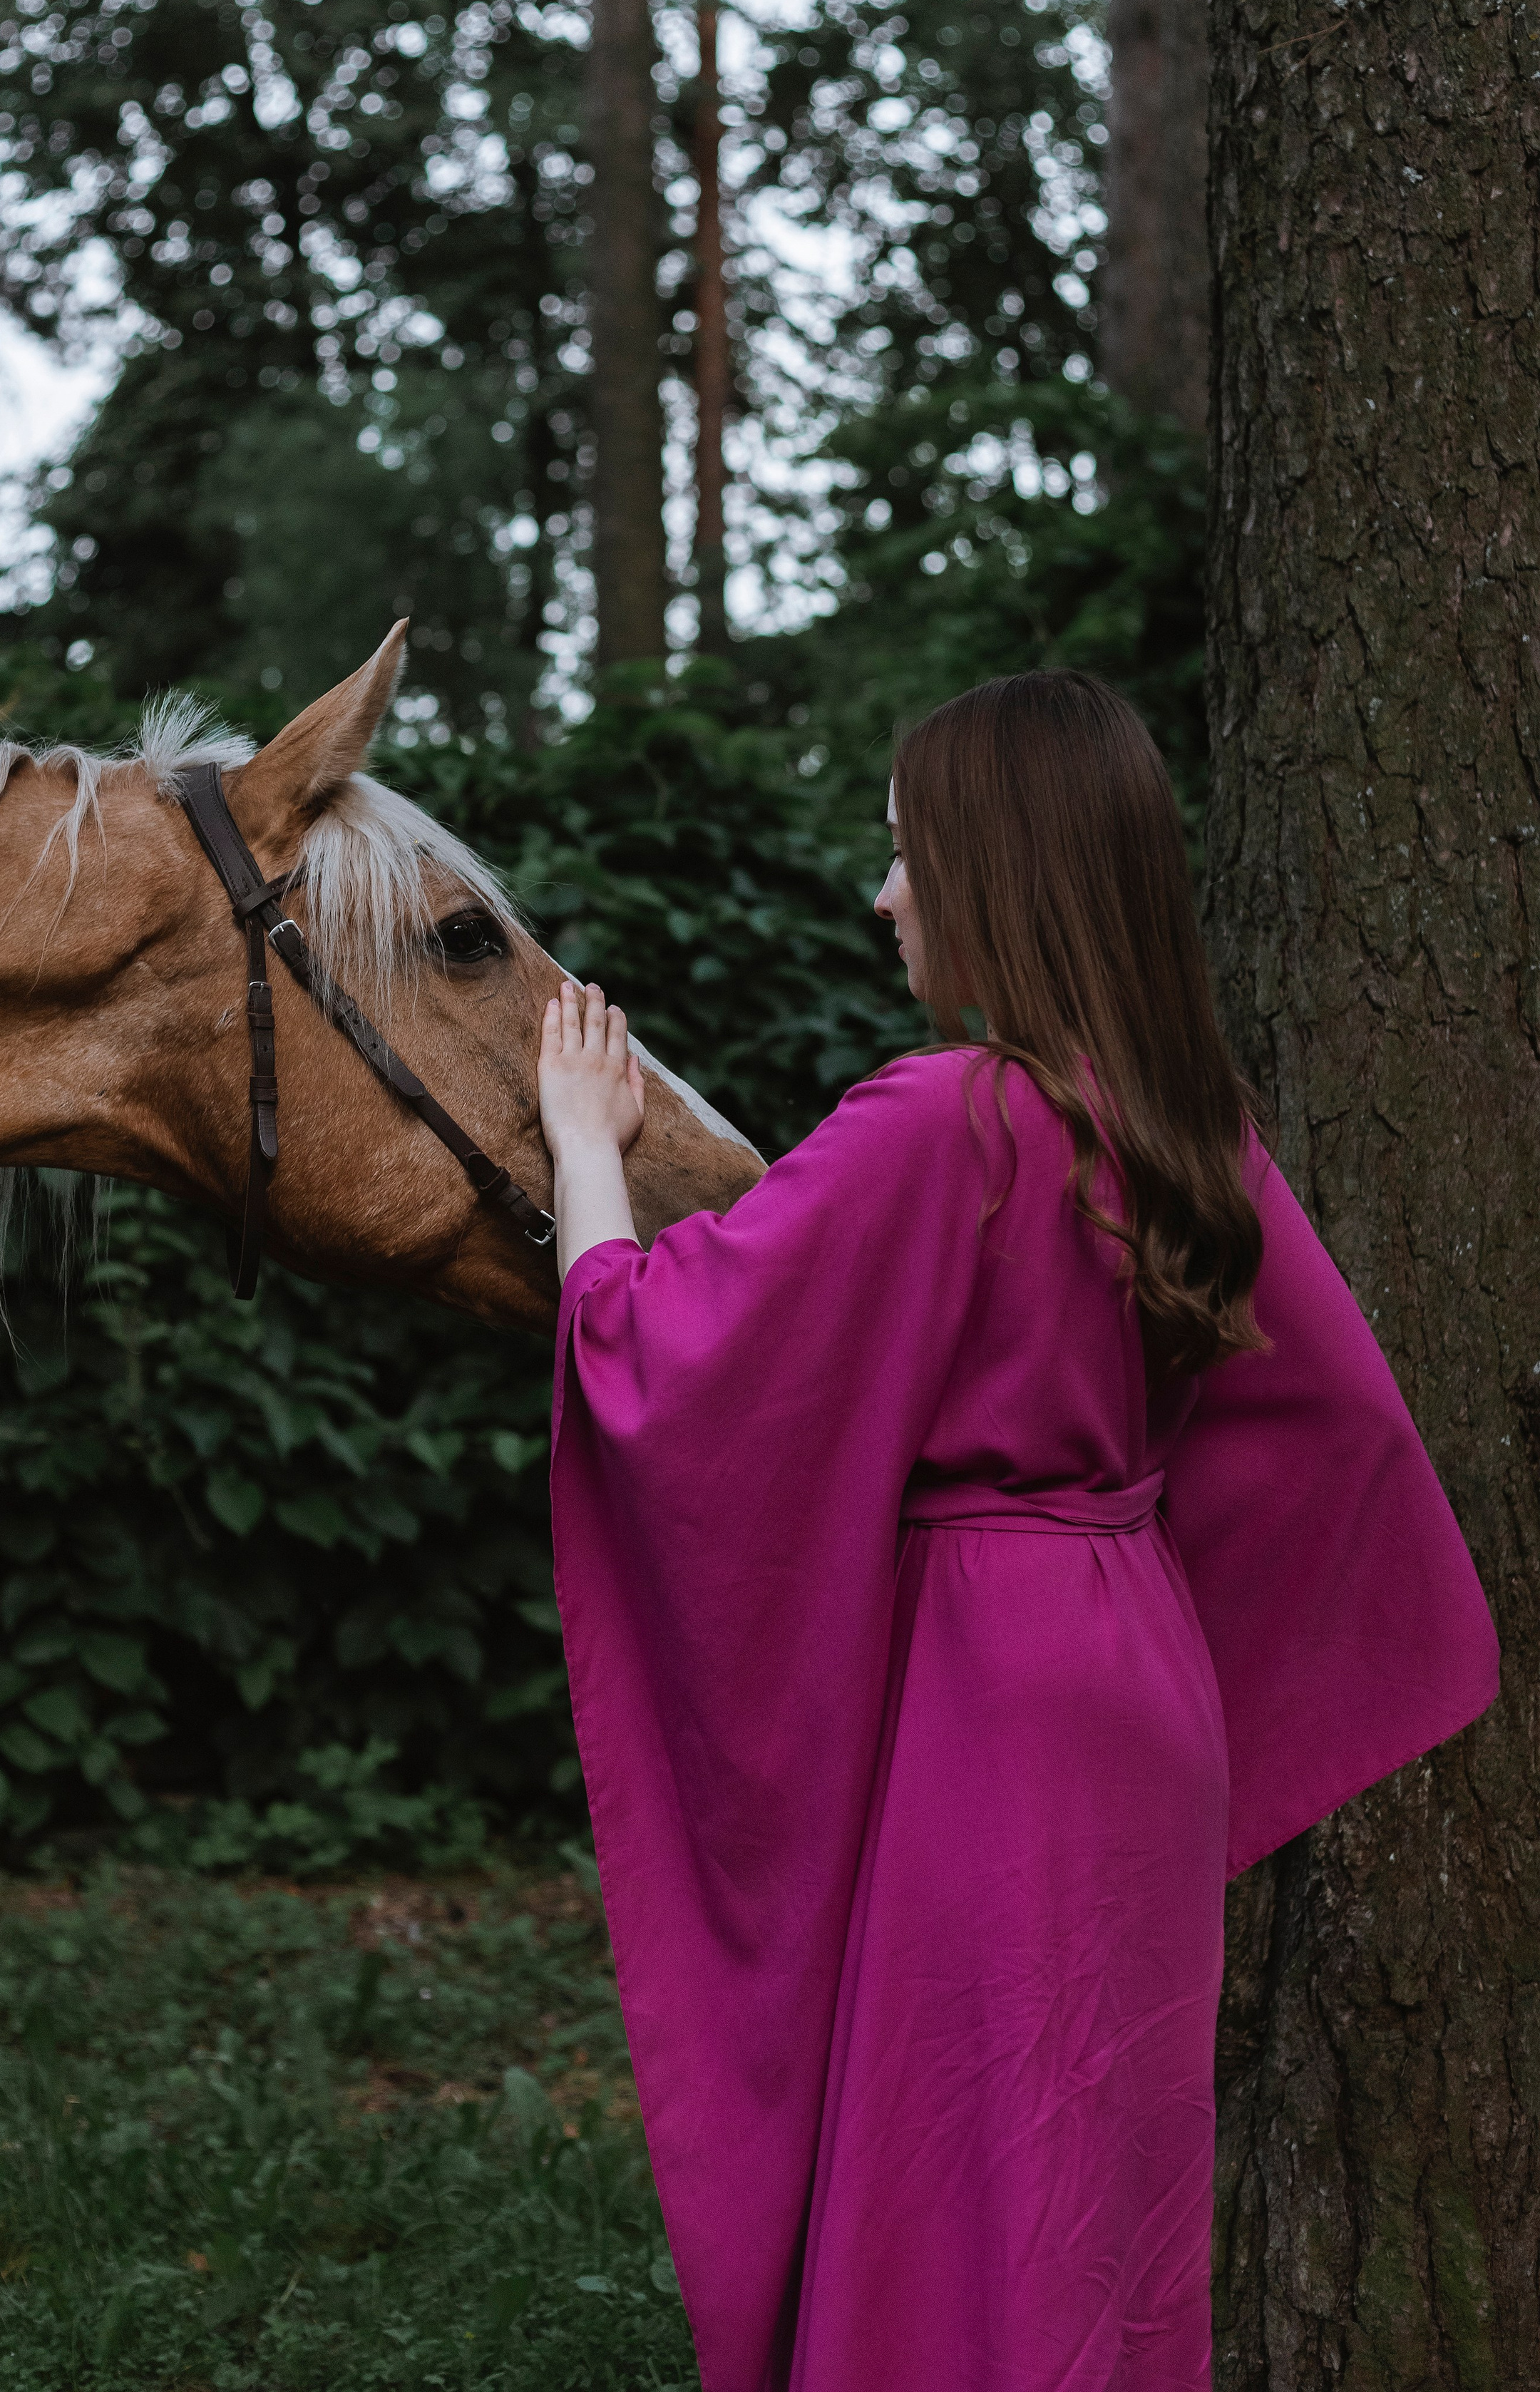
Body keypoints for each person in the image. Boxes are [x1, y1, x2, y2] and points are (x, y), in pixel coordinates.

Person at [535, 671, 1499, 2392]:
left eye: (906, 857)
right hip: (1139, 1675)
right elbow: (1334, 1419)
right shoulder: (1185, 1124)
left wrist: (580, 1154)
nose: (879, 894)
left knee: (957, 2146)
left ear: (999, 871)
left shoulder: (947, 1117)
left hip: (990, 1687)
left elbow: (656, 1368)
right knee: (1087, 2173)